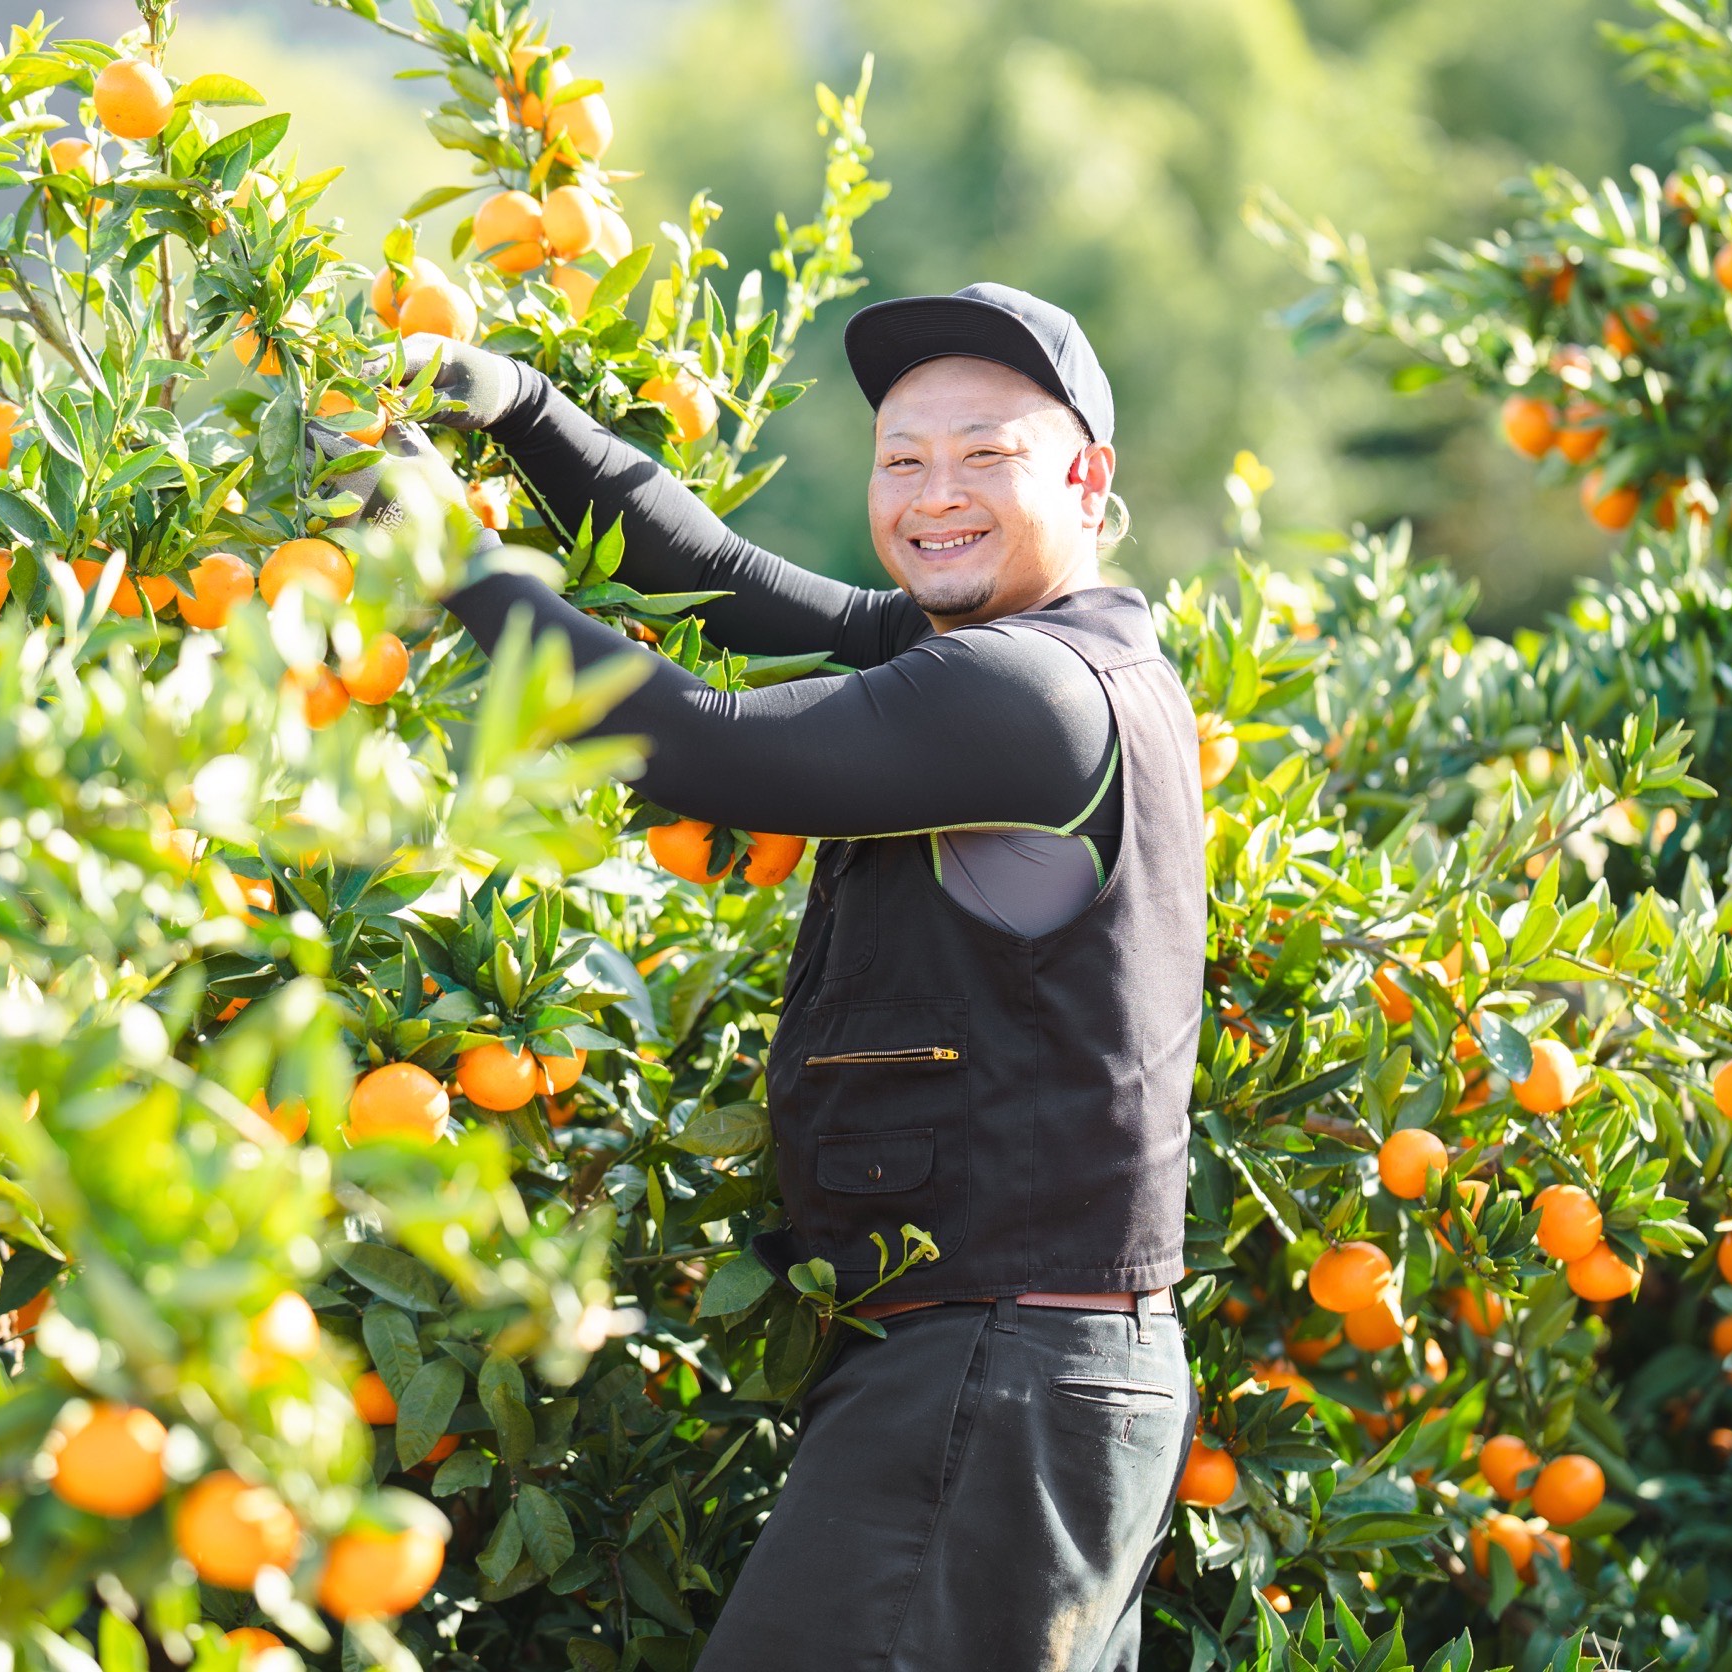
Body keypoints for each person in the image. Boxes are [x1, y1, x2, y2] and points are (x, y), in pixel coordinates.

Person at [385, 282, 1205, 1672]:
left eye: (986, 456)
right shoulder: (1023, 656)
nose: (934, 493)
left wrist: (456, 571)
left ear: (1086, 476)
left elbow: (703, 742)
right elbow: (729, 588)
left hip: (1002, 1372)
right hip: (1023, 1370)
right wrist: (519, 407)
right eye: (902, 460)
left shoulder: (1031, 695)